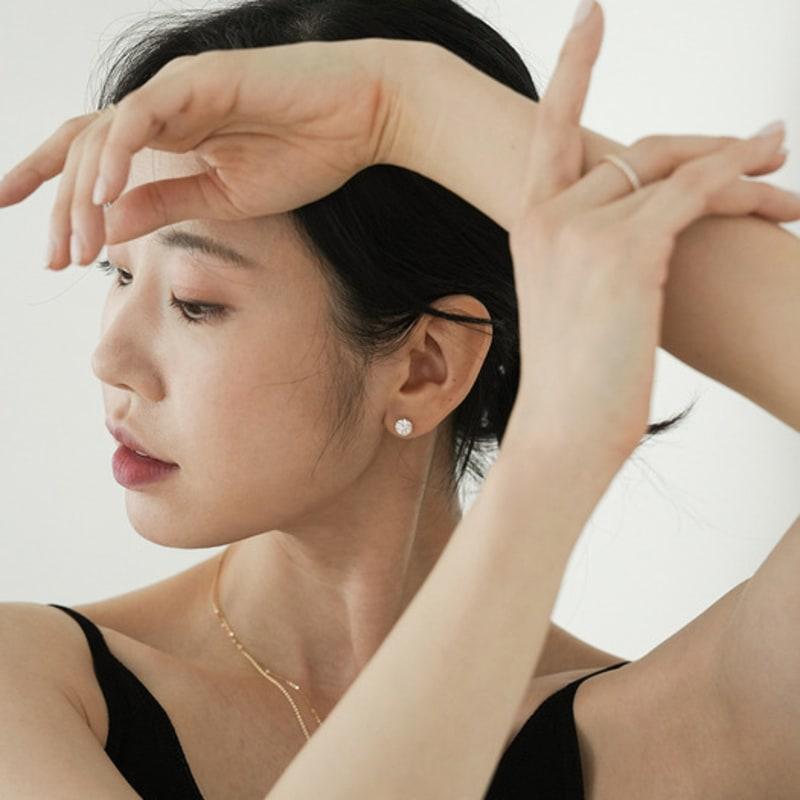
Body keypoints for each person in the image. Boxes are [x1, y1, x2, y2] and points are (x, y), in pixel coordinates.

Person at [1, 0, 798, 798]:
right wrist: (547, 471)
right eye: (119, 275)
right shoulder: (31, 688)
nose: (110, 359)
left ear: (425, 367)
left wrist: (412, 107)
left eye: (194, 302)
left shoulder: (659, 729)